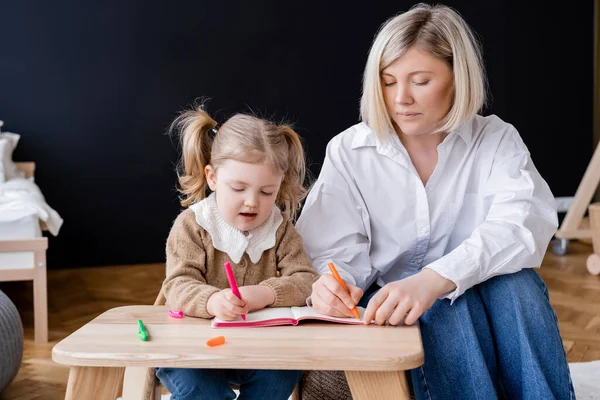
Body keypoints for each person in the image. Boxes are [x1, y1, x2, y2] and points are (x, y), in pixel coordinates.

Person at [296, 3, 575, 399]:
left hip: (482, 291)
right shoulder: (349, 150)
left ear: (457, 79)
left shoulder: (495, 140)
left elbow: (525, 223)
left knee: (519, 286)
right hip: (390, 304)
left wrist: (434, 280)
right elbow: (332, 253)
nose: (400, 98)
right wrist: (330, 285)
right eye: (389, 82)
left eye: (420, 81)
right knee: (445, 308)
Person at [155, 104, 319, 400]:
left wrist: (266, 293)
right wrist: (213, 300)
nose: (252, 203)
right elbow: (177, 287)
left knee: (281, 375)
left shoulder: (280, 229)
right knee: (200, 389)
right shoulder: (193, 226)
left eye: (267, 192)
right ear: (213, 178)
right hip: (192, 349)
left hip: (257, 349)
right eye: (239, 188)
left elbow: (306, 280)